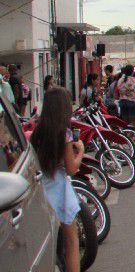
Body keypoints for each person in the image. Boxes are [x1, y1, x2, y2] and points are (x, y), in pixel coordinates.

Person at [30, 88, 83, 272]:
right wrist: (81, 151)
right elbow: (71, 169)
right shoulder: (64, 134)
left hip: (42, 188)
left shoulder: (37, 131)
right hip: (60, 189)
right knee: (71, 241)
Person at [116, 64, 135, 131]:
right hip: (133, 102)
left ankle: (127, 135)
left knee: (125, 121)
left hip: (123, 102)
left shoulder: (120, 80)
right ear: (132, 71)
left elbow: (118, 89)